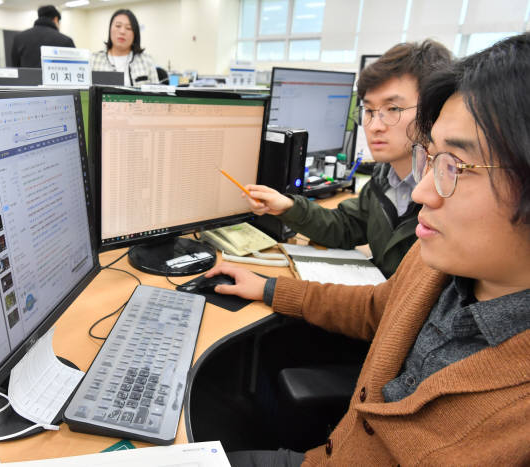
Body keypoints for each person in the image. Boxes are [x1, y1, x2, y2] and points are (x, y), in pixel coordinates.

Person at [209, 33, 530, 466]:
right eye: (431, 159)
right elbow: (378, 304)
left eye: (455, 165)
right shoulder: (436, 258)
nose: (420, 193)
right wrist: (270, 288)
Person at [246, 41, 452, 278]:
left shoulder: (447, 199)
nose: (374, 126)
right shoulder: (386, 176)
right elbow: (345, 227)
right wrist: (289, 207)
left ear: (433, 111)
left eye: (393, 109)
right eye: (369, 111)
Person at [91, 9, 159, 86]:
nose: (122, 31)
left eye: (128, 28)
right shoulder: (94, 59)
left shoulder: (146, 61)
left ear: (135, 34)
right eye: (118, 26)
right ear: (110, 29)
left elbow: (157, 95)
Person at [11, 5, 76, 68]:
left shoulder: (19, 38)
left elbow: (15, 66)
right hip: (54, 78)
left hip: (26, 78)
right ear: (56, 19)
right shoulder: (66, 40)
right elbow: (73, 67)